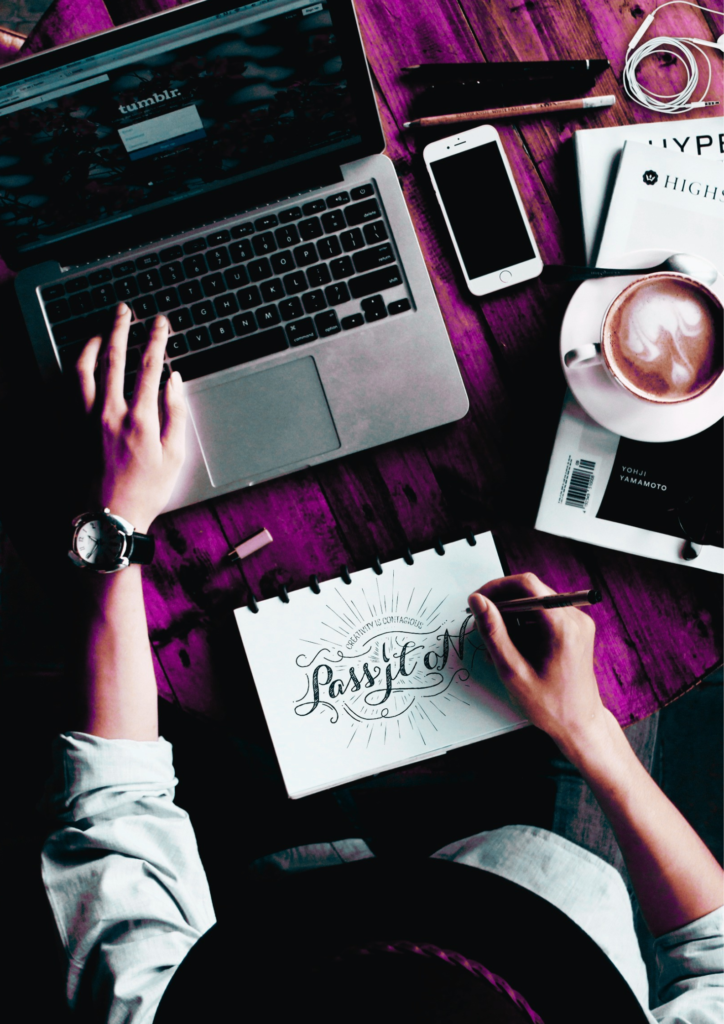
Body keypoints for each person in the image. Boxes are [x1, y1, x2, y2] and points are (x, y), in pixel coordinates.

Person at [41, 306, 722, 1024]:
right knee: (623, 644)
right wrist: (590, 732)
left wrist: (115, 525)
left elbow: (112, 807)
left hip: (289, 875)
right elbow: (712, 953)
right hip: (550, 866)